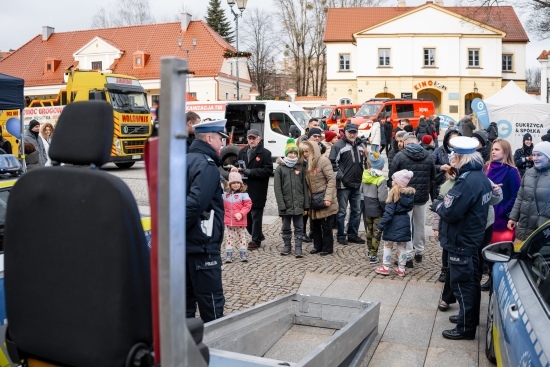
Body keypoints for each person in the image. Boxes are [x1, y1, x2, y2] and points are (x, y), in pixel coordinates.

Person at [432, 136, 492, 340]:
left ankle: (465, 327)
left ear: (460, 158)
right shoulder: (479, 176)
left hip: (461, 240)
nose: (451, 162)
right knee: (471, 282)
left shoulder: (467, 182)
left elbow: (450, 211)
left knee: (462, 284)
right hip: (471, 238)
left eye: (454, 159)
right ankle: (467, 318)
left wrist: (438, 206)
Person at [186, 119, 228, 322]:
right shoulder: (206, 165)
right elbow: (194, 204)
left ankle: (184, 350)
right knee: (211, 303)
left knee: (185, 304)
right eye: (220, 139)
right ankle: (213, 350)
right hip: (202, 245)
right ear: (209, 138)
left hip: (186, 246)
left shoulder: (185, 159)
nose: (222, 144)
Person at [389, 132, 435, 267]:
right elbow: (433, 176)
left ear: (404, 143)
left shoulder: (400, 155)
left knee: (406, 225)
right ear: (418, 142)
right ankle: (419, 251)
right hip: (422, 196)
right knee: (420, 225)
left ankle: (407, 256)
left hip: (404, 196)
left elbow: (392, 175)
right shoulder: (428, 156)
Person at [329, 123, 366, 245]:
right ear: (344, 132)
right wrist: (340, 176)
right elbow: (332, 163)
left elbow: (364, 163)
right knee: (342, 212)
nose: (352, 134)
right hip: (343, 185)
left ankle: (352, 234)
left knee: (356, 211)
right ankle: (340, 235)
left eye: (354, 132)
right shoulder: (338, 146)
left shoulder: (361, 145)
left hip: (357, 184)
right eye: (350, 132)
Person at [236, 129, 273, 250]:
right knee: (246, 215)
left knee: (256, 215)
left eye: (254, 138)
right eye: (249, 138)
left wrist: (251, 172)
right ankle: (257, 234)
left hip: (258, 189)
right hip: (244, 188)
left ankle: (255, 240)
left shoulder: (265, 153)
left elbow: (268, 171)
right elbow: (238, 166)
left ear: (259, 139)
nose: (251, 140)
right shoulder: (242, 152)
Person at [300, 140, 338, 256]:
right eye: (303, 152)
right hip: (314, 199)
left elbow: (331, 180)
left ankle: (327, 248)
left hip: (324, 197)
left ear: (312, 151)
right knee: (315, 224)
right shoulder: (307, 164)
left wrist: (328, 198)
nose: (305, 154)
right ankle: (317, 246)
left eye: (306, 151)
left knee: (326, 225)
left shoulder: (323, 161)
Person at [508, 141, 550, 244]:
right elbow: (520, 197)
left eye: (539, 155)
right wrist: (513, 218)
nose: (535, 158)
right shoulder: (528, 173)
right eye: (534, 155)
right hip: (523, 228)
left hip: (542, 231)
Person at [375, 169, 415, 277]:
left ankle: (385, 266)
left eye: (393, 180)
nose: (392, 182)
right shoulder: (410, 195)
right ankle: (401, 268)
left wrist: (381, 226)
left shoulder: (394, 194)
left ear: (397, 182)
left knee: (388, 246)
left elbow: (389, 213)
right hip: (404, 222)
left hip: (392, 223)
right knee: (402, 248)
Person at [274, 139, 309, 258]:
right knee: (285, 227)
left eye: (295, 153)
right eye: (290, 153)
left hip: (298, 204)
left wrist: (306, 204)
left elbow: (304, 187)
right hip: (286, 204)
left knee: (299, 227)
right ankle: (287, 246)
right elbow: (277, 189)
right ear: (286, 153)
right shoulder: (280, 169)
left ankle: (298, 247)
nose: (293, 155)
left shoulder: (300, 167)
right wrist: (281, 205)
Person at [484, 138, 521, 243]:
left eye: (497, 149)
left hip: (501, 219)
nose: (493, 152)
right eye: (492, 149)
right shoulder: (486, 167)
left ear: (505, 152)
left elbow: (516, 195)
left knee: (499, 251)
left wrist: (502, 211)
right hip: (485, 215)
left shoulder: (511, 171)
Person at [361, 152, 388, 263]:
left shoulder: (365, 175)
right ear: (381, 166)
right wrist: (385, 208)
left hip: (367, 207)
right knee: (377, 232)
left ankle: (369, 250)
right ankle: (373, 254)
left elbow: (361, 191)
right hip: (377, 209)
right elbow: (382, 198)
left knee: (369, 230)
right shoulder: (381, 179)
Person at [223, 171, 252, 263]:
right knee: (229, 238)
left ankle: (243, 253)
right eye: (233, 183)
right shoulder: (225, 195)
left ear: (241, 184)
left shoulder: (244, 194)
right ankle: (229, 254)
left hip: (240, 221)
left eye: (238, 183)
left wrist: (241, 213)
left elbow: (248, 205)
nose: (236, 185)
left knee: (242, 237)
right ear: (230, 184)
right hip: (229, 221)